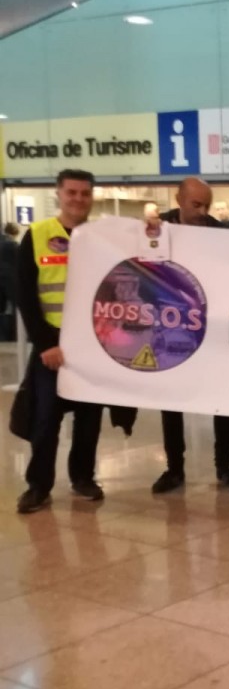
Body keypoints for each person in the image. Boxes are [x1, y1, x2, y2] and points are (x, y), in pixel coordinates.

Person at [146, 178, 229, 494]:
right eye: (196, 204)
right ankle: (174, 468)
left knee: (222, 400)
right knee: (172, 401)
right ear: (179, 199)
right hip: (171, 328)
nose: (203, 211)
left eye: (207, 204)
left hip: (213, 330)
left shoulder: (221, 233)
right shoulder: (156, 229)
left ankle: (225, 466)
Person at [14, 169, 104, 514]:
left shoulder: (101, 236)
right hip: (51, 343)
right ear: (59, 194)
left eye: (84, 193)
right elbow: (25, 294)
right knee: (45, 418)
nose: (78, 199)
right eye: (72, 192)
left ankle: (82, 478)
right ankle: (38, 486)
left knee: (88, 418)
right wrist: (44, 343)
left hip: (94, 344)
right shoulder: (37, 235)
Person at [0, 221, 19, 340]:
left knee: (2, 308)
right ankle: (12, 334)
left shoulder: (2, 243)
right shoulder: (13, 245)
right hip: (10, 278)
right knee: (14, 308)